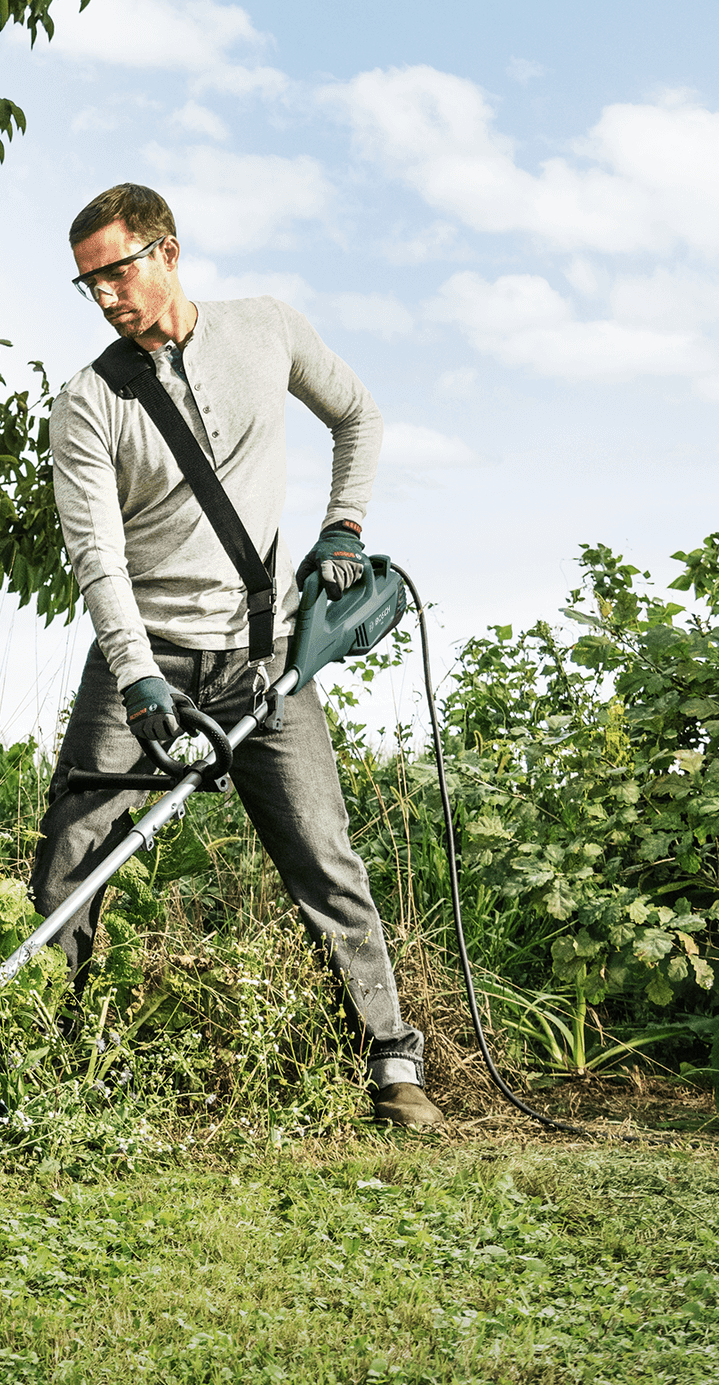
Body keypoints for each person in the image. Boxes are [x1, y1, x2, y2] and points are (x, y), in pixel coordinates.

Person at [38, 181, 443, 1130]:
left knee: (324, 857)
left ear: (167, 251)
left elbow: (360, 416)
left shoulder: (265, 329)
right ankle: (41, 1056)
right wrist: (136, 678)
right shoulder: (89, 402)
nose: (104, 297)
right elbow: (96, 555)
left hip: (265, 661)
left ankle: (392, 1063)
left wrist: (343, 528)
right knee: (73, 858)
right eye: (86, 283)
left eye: (116, 272)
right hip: (146, 660)